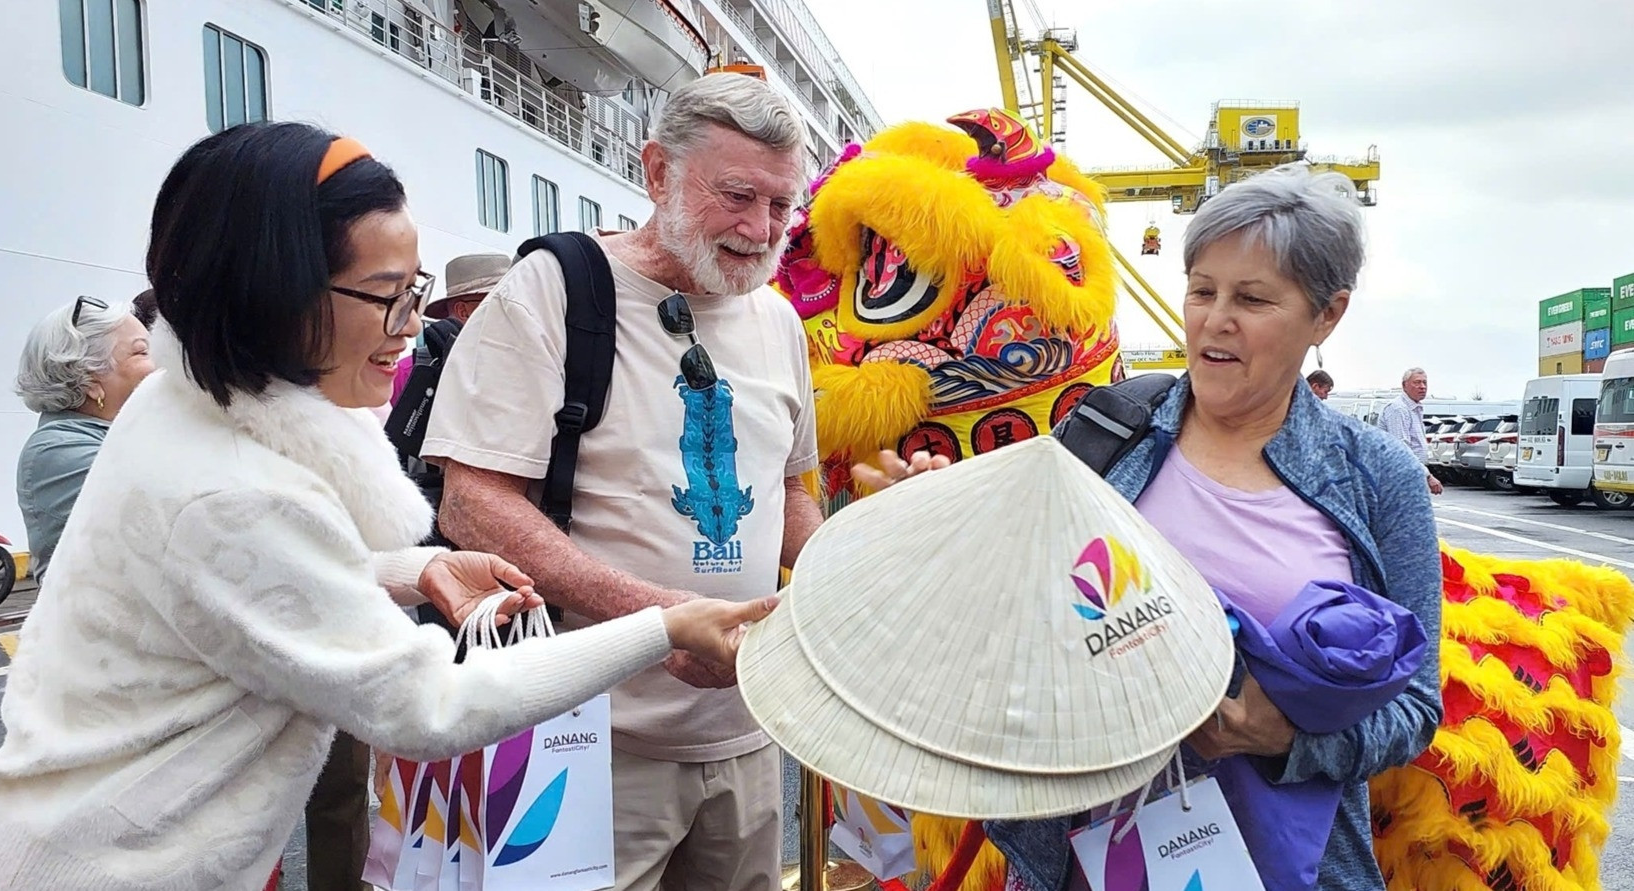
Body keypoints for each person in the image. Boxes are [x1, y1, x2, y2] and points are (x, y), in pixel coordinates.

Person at [0, 121, 773, 891]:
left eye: (413, 289)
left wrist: (421, 568)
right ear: (279, 291)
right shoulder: (231, 490)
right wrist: (664, 626)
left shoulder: (179, 407)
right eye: (387, 295)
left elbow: (242, 578)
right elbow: (429, 705)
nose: (412, 327)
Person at [858, 164, 1442, 891]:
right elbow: (1015, 609)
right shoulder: (1107, 429)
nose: (1214, 319)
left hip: (1290, 862)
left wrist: (1284, 738)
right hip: (1082, 853)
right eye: (1202, 290)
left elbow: (1416, 708)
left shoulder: (1376, 476)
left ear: (1328, 314)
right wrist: (942, 527)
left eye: (1253, 298)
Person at [422, 72, 822, 891]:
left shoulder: (778, 319)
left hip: (749, 737)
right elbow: (472, 501)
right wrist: (663, 622)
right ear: (657, 172)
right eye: (739, 195)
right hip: (589, 740)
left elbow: (792, 498)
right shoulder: (555, 288)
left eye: (783, 206)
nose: (761, 229)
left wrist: (872, 565)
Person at [13, 296, 155, 581]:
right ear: (90, 382)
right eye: (142, 352)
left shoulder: (129, 434)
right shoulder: (58, 451)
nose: (163, 363)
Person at [389, 252, 510, 407]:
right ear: (463, 311)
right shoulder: (407, 373)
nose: (512, 311)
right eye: (500, 302)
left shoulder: (409, 370)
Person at [1377, 367, 1442, 494]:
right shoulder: (1398, 409)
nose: (1422, 387)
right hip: (1399, 475)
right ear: (1404, 385)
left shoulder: (1414, 408)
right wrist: (1428, 476)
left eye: (1424, 382)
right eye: (1417, 382)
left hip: (1411, 473)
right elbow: (1402, 449)